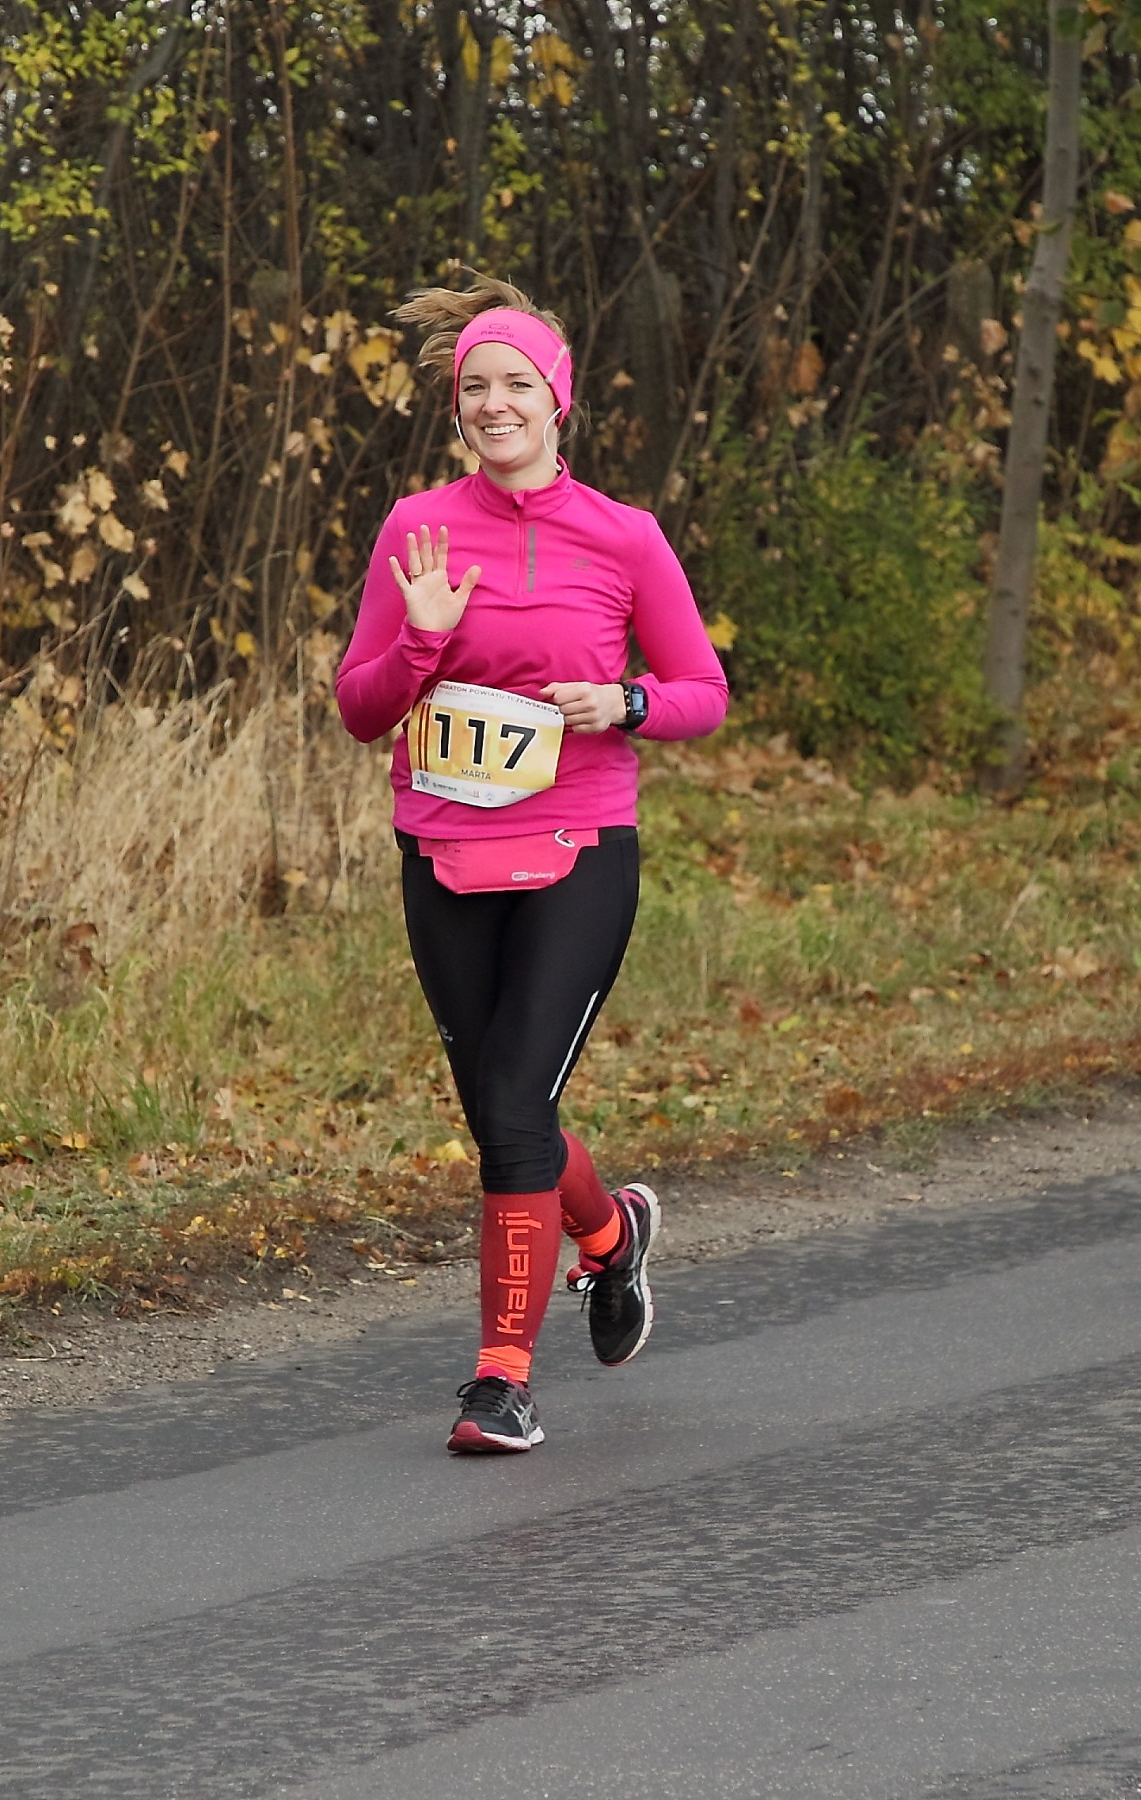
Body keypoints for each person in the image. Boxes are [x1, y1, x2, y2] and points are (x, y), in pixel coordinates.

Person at [336, 275, 728, 1453]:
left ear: (558, 399)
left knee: (513, 1103)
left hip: (578, 848)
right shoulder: (416, 529)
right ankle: (610, 1235)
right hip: (444, 848)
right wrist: (422, 639)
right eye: (475, 387)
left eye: (516, 384)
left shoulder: (624, 536)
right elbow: (360, 710)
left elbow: (703, 691)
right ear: (455, 406)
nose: (494, 405)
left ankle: (500, 1381)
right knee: (506, 1110)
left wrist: (625, 702)